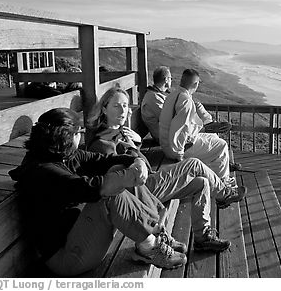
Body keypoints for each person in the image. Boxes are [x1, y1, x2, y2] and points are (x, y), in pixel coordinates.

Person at [8, 108, 186, 276]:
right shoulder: (42, 170)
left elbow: (106, 160)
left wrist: (135, 161)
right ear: (67, 137)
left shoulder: (62, 155)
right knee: (110, 191)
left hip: (78, 235)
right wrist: (129, 174)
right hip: (66, 258)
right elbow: (90, 188)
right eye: (79, 133)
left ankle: (155, 234)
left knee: (118, 170)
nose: (82, 136)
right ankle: (149, 247)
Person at [86, 87, 247, 258]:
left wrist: (137, 144)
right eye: (116, 106)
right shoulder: (103, 142)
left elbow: (140, 163)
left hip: (148, 183)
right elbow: (125, 175)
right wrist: (134, 149)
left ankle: (203, 237)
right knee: (193, 164)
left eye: (125, 106)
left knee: (202, 182)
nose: (123, 111)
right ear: (104, 108)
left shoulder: (121, 133)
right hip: (141, 192)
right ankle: (224, 194)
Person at [159, 69, 242, 183]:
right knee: (222, 145)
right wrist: (179, 155)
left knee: (214, 137)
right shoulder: (185, 100)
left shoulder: (173, 94)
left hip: (166, 143)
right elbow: (179, 129)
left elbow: (182, 126)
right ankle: (223, 182)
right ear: (196, 84)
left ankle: (218, 172)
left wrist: (207, 129)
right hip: (174, 148)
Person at [140, 66, 172, 143]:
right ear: (166, 80)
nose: (171, 80)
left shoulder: (156, 95)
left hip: (169, 135)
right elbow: (169, 118)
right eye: (171, 78)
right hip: (165, 139)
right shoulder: (153, 97)